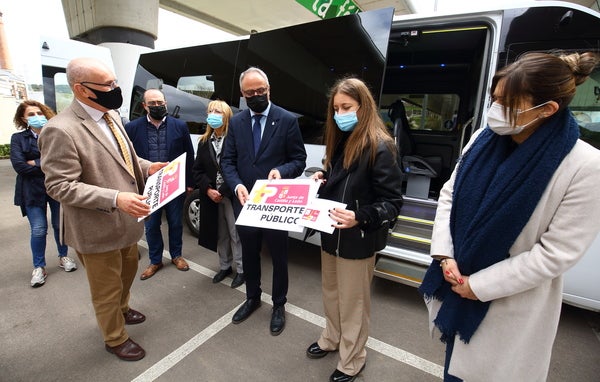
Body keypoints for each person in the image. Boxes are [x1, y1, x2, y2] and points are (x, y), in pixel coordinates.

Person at [418, 52, 600, 381]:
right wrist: (445, 254)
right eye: (496, 98)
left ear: (547, 110)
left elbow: (556, 253)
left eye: (509, 102)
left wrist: (479, 286)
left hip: (506, 307)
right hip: (458, 290)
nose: (496, 110)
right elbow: (450, 194)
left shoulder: (585, 165)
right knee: (454, 370)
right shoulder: (482, 140)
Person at [38, 57, 167, 361]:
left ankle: (122, 309)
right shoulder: (60, 129)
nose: (116, 89)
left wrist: (150, 168)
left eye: (114, 82)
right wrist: (115, 198)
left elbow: (126, 159)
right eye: (108, 85)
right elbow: (59, 186)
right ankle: (115, 337)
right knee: (106, 288)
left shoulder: (110, 116)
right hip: (96, 228)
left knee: (126, 273)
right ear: (82, 89)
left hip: (127, 222)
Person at [306, 78, 403, 382]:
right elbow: (338, 176)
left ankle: (353, 359)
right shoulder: (342, 141)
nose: (339, 114)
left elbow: (392, 203)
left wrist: (359, 217)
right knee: (331, 294)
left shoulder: (381, 146)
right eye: (336, 108)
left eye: (346, 107)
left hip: (357, 238)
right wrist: (323, 175)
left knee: (354, 304)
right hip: (330, 232)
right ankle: (332, 338)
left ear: (364, 106)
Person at [221, 67, 307, 335]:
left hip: (274, 203)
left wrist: (281, 171)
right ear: (242, 94)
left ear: (269, 90)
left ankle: (278, 304)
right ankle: (252, 297)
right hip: (245, 202)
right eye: (250, 93)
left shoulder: (287, 120)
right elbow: (227, 161)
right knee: (249, 253)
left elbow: (299, 160)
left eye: (261, 91)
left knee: (279, 256)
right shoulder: (236, 122)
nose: (256, 96)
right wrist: (236, 187)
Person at [125, 89, 195, 280]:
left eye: (160, 103)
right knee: (152, 225)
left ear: (166, 103)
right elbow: (129, 158)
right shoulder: (132, 128)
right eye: (153, 104)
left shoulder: (180, 126)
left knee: (175, 222)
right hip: (149, 187)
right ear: (144, 106)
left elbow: (189, 155)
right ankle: (155, 260)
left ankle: (176, 255)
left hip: (174, 184)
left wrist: (189, 182)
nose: (158, 106)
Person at [10, 100, 78, 288]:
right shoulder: (18, 139)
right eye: (31, 114)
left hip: (56, 187)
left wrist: (36, 162)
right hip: (31, 191)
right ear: (23, 118)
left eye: (39, 113)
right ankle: (39, 266)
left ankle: (63, 256)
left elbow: (63, 160)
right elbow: (20, 166)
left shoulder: (54, 134)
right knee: (39, 229)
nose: (36, 117)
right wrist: (46, 164)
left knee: (59, 225)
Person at [192, 100, 244, 288]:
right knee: (220, 233)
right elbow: (197, 170)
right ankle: (224, 266)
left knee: (235, 233)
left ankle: (242, 270)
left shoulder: (236, 139)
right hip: (211, 196)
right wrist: (208, 189)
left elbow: (240, 169)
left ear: (227, 116)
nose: (213, 114)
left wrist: (222, 191)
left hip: (231, 195)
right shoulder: (204, 142)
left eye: (218, 111)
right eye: (211, 111)